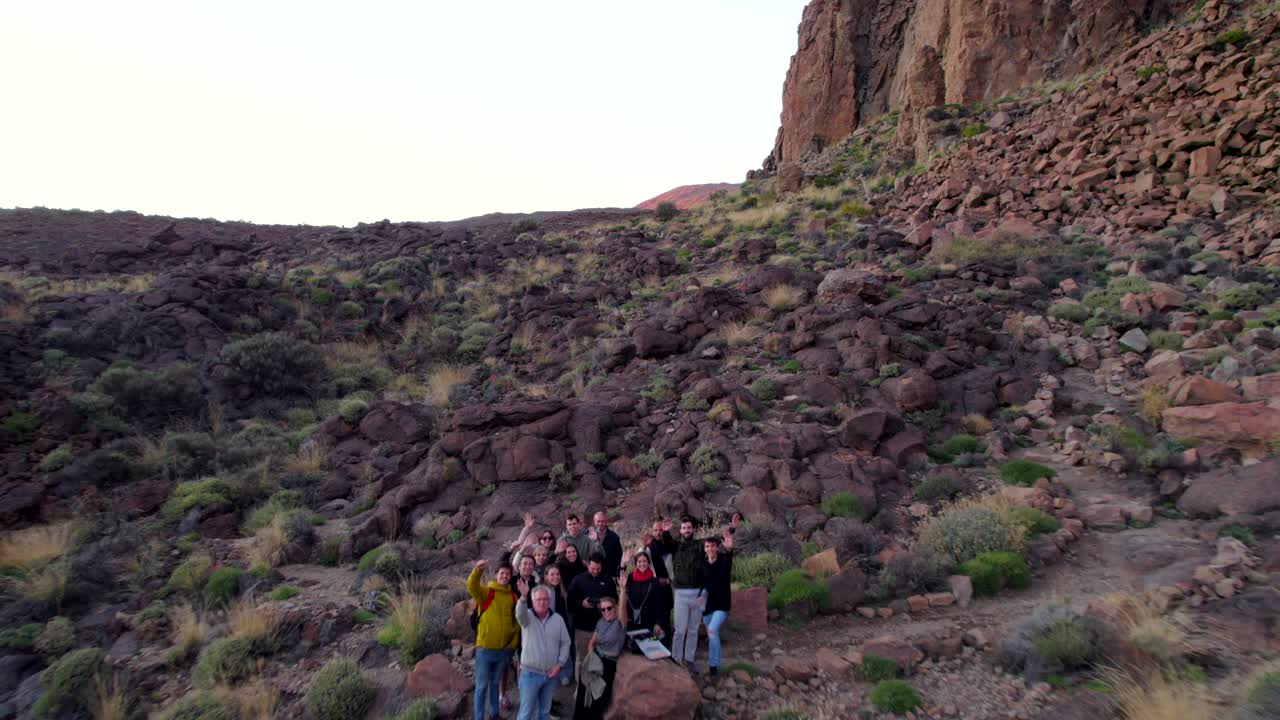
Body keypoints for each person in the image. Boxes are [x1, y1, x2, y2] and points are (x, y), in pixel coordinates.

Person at [467, 559, 519, 720]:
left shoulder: (513, 597)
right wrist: (477, 571)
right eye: (502, 573)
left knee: (495, 684)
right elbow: (472, 586)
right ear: (496, 574)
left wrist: (512, 644)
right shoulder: (486, 592)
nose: (504, 576)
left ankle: (494, 714)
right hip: (485, 648)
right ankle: (479, 717)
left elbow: (516, 623)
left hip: (503, 650)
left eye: (507, 574)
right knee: (482, 686)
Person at [654, 516, 708, 671]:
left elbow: (716, 542)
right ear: (681, 530)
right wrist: (665, 532)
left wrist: (732, 529)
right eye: (684, 528)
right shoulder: (676, 545)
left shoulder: (700, 545)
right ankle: (677, 659)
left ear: (693, 529)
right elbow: (667, 542)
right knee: (679, 630)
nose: (686, 530)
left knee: (693, 629)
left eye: (689, 528)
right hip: (680, 594)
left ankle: (689, 659)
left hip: (698, 594)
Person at [514, 580, 571, 720]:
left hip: (550, 675)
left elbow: (566, 643)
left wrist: (560, 664)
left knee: (544, 713)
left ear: (549, 601)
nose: (542, 602)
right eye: (539, 599)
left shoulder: (558, 619)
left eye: (545, 599)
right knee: (525, 714)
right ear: (533, 601)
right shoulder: (527, 617)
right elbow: (519, 614)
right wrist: (523, 597)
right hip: (530, 674)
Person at [572, 594, 625, 720]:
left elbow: (623, 608)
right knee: (583, 687)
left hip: (609, 662)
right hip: (596, 658)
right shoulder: (601, 622)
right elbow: (592, 642)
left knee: (598, 695)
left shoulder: (620, 623)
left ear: (615, 608)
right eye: (603, 609)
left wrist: (622, 590)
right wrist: (591, 657)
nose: (606, 611)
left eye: (609, 608)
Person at [567, 553, 616, 677]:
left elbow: (615, 600)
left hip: (604, 628)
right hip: (583, 628)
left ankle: (598, 686)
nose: (595, 571)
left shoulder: (608, 580)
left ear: (602, 566)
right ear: (587, 564)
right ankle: (580, 687)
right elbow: (570, 603)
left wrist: (604, 604)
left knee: (602, 659)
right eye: (592, 568)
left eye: (598, 569)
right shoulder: (578, 580)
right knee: (582, 659)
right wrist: (581, 604)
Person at [700, 524, 735, 678]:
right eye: (707, 546)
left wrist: (729, 550)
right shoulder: (703, 565)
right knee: (713, 635)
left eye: (713, 546)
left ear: (717, 547)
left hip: (721, 605)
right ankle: (717, 663)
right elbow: (702, 584)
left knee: (712, 630)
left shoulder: (723, 561)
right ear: (705, 549)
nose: (710, 549)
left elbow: (728, 560)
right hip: (707, 606)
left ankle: (713, 665)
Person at [539, 564, 575, 686]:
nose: (556, 577)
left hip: (562, 624)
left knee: (564, 649)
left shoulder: (560, 589)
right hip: (548, 625)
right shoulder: (543, 591)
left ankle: (565, 674)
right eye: (552, 574)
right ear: (546, 576)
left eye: (557, 574)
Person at [643, 519, 674, 645]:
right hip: (654, 586)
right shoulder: (649, 546)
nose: (658, 533)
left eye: (660, 530)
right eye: (655, 530)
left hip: (668, 586)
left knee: (665, 615)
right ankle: (655, 644)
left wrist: (668, 580)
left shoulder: (669, 544)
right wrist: (644, 546)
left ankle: (666, 643)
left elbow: (675, 567)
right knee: (654, 615)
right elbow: (640, 561)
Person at [619, 552, 664, 638]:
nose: (642, 564)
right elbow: (620, 578)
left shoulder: (654, 581)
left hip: (649, 620)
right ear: (636, 564)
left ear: (648, 563)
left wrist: (658, 623)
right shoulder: (630, 578)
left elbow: (659, 603)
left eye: (644, 561)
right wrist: (623, 564)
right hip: (632, 619)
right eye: (639, 561)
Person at [591, 511, 623, 579]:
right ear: (594, 521)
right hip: (592, 575)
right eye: (598, 521)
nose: (600, 524)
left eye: (602, 521)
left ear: (606, 521)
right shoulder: (588, 535)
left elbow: (619, 558)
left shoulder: (614, 537)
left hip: (609, 575)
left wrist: (618, 575)